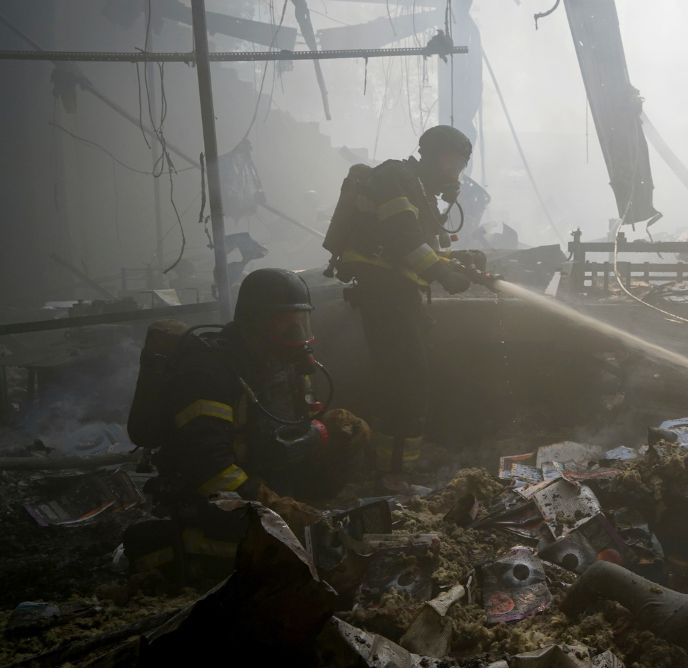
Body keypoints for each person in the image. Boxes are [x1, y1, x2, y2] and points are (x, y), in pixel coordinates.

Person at [123, 268, 368, 582]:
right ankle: (171, 547)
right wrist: (277, 507)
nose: (296, 333)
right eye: (285, 323)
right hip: (209, 499)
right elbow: (211, 471)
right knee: (297, 555)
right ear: (255, 323)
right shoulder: (209, 374)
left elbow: (283, 431)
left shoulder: (277, 362)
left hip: (260, 478)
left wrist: (329, 435)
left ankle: (298, 518)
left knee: (350, 432)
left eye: (301, 321)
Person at [335, 125, 476, 473]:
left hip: (397, 293)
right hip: (383, 294)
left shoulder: (417, 190)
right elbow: (403, 241)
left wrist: (461, 262)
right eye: (454, 164)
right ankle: (395, 472)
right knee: (405, 380)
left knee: (407, 377)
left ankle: (396, 465)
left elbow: (418, 247)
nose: (456, 174)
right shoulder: (394, 178)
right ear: (435, 155)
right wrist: (444, 274)